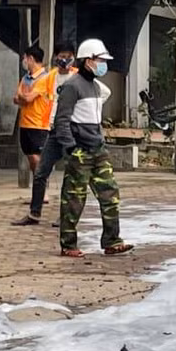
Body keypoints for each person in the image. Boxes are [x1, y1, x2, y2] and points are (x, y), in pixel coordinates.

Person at [52, 38, 132, 258]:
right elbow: (62, 120)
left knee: (110, 195)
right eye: (100, 60)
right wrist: (71, 148)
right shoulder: (72, 86)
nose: (103, 65)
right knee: (74, 199)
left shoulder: (96, 87)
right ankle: (68, 245)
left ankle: (112, 241)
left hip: (98, 150)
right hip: (80, 152)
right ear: (88, 61)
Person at [12, 42, 77, 227]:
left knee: (71, 174)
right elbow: (23, 97)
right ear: (55, 57)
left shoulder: (78, 76)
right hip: (54, 129)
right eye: (61, 56)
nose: (64, 60)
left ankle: (66, 216)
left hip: (72, 130)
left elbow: (102, 93)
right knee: (40, 172)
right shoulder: (50, 77)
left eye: (68, 55)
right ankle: (34, 213)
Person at [15, 44, 54, 177]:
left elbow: (27, 98)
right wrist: (23, 96)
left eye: (25, 58)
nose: (24, 61)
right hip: (25, 123)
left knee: (37, 158)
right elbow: (17, 99)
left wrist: (23, 95)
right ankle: (39, 185)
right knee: (30, 156)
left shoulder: (44, 78)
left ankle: (42, 186)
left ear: (30, 58)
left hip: (39, 124)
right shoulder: (26, 78)